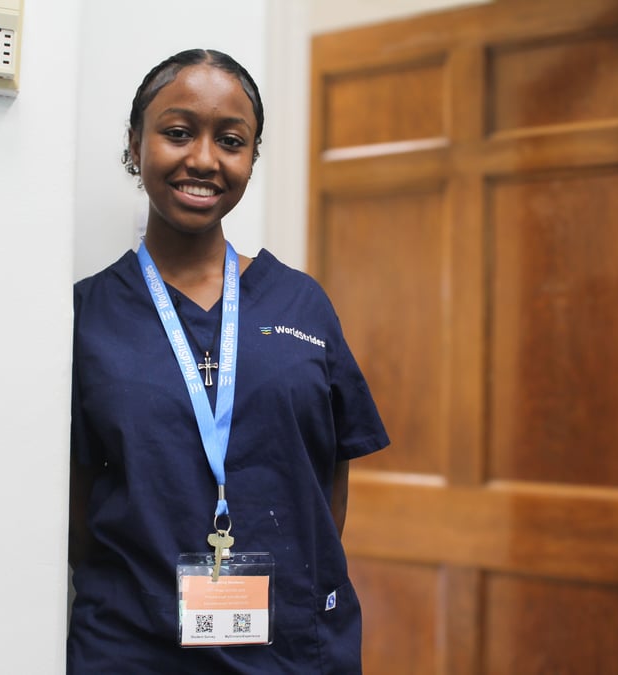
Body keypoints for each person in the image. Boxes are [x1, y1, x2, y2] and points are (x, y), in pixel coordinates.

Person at [68, 48, 389, 673]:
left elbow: (329, 476)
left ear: (251, 158)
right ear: (135, 144)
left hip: (292, 650)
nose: (204, 159)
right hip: (135, 649)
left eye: (231, 141)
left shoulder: (301, 304)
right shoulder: (89, 316)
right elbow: (76, 503)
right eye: (178, 132)